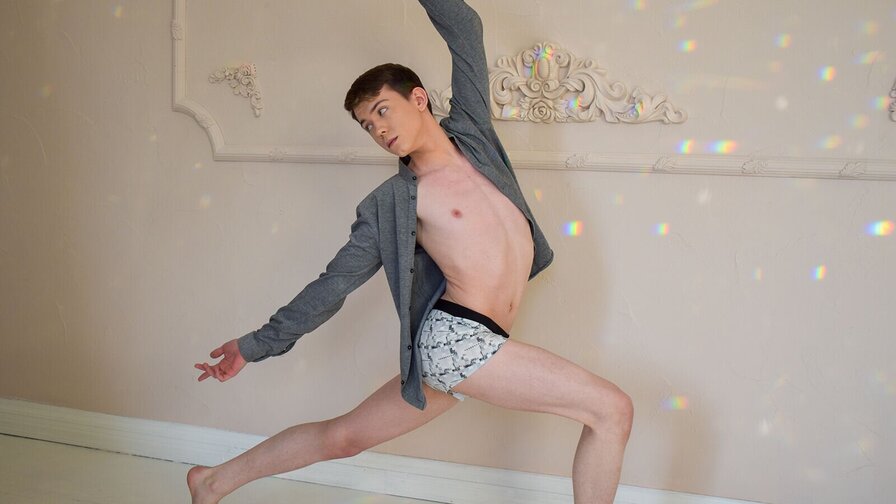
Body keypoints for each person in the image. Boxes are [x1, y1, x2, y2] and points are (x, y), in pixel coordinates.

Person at [187, 1, 632, 503]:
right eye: (366, 124)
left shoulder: (475, 138)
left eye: (382, 110)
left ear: (418, 98)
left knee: (344, 437)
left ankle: (213, 480)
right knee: (611, 408)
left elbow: (465, 29)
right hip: (458, 341)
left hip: (478, 340)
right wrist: (255, 345)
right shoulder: (394, 203)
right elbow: (333, 286)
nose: (378, 129)